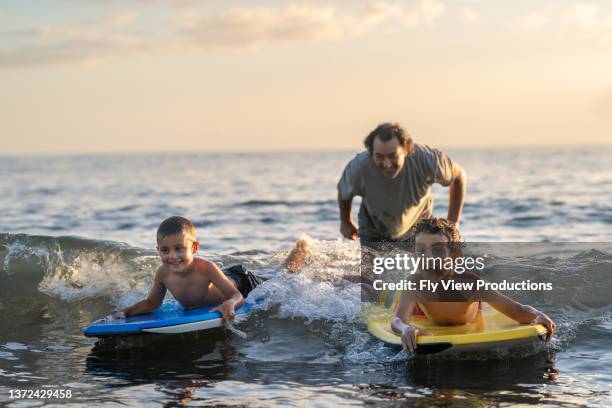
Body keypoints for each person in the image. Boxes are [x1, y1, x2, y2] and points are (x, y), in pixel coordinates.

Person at [390, 217, 557, 352]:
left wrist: (537, 315)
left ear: (455, 255)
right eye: (421, 250)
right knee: (394, 300)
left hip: (471, 312)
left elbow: (516, 310)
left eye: (439, 250)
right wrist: (406, 329)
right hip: (421, 313)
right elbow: (397, 320)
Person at [113, 216, 310, 321]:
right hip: (227, 283)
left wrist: (230, 304)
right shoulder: (163, 274)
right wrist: (127, 312)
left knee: (284, 277)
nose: (172, 256)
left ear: (194, 248)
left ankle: (302, 249)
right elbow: (152, 303)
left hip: (243, 282)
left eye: (179, 249)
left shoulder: (206, 268)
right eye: (165, 250)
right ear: (158, 250)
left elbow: (237, 296)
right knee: (280, 275)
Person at [337, 122, 467, 246]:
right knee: (374, 268)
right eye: (379, 156)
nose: (387, 164)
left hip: (418, 229)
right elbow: (344, 192)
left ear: (407, 150)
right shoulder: (359, 168)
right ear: (371, 153)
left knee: (425, 268)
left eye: (393, 156)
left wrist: (453, 223)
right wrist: (345, 221)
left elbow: (459, 177)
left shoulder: (427, 160)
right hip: (373, 230)